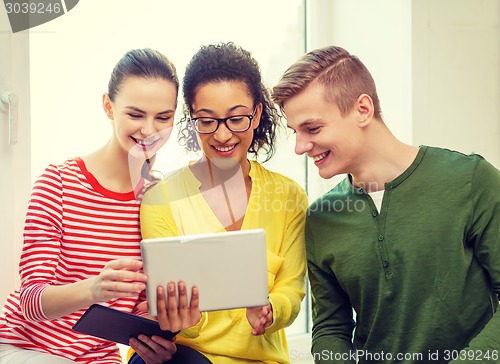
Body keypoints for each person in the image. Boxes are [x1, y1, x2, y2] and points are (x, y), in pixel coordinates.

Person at [271, 45, 500, 363]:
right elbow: (331, 329)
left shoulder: (471, 179)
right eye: (294, 131)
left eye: (312, 128)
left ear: (362, 110)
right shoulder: (321, 218)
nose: (299, 146)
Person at [0, 48, 183, 363]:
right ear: (108, 107)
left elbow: (142, 308)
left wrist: (158, 338)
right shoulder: (58, 182)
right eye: (136, 114)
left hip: (98, 358)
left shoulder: (160, 200)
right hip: (24, 347)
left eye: (163, 117)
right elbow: (31, 302)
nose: (150, 130)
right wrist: (95, 289)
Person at [130, 42, 308, 364]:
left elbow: (292, 291)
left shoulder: (288, 197)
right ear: (192, 119)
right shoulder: (161, 200)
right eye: (207, 120)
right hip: (186, 357)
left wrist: (271, 310)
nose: (223, 136)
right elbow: (164, 302)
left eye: (237, 118)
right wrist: (184, 321)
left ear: (257, 115)